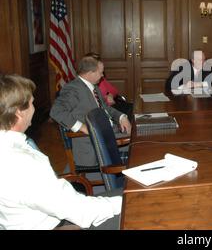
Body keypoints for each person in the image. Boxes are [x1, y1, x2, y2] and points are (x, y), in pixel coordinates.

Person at [0, 74, 121, 229]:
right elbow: (81, 212)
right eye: (31, 103)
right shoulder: (20, 162)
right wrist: (126, 201)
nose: (34, 108)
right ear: (19, 112)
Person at [50, 56, 132, 167]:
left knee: (141, 139)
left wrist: (122, 117)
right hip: (94, 143)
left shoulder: (93, 87)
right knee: (139, 149)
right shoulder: (74, 89)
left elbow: (106, 109)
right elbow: (56, 111)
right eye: (100, 72)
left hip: (109, 133)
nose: (103, 75)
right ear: (90, 73)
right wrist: (81, 127)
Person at [84, 52, 133, 119]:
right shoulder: (87, 83)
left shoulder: (100, 78)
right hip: (103, 111)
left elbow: (114, 90)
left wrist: (110, 95)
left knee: (130, 109)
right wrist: (106, 98)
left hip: (110, 107)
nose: (102, 74)